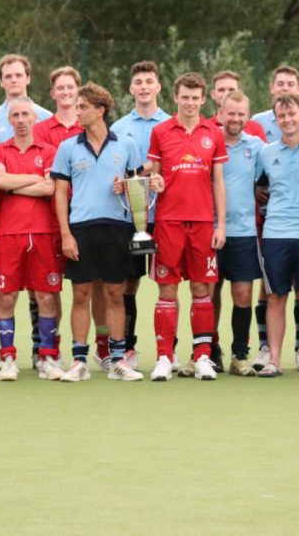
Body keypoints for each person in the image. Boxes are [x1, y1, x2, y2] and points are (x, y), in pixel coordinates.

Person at [51, 83, 146, 382]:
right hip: (81, 229)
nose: (76, 112)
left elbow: (138, 189)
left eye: (82, 107)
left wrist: (125, 187)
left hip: (117, 228)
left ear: (100, 110)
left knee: (115, 293)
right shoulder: (68, 147)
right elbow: (60, 193)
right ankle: (79, 361)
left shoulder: (126, 145)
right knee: (81, 294)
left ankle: (117, 360)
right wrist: (66, 234)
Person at [146, 72, 227, 382]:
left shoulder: (214, 132)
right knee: (167, 289)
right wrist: (155, 182)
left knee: (201, 289)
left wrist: (221, 224)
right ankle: (165, 357)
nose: (190, 103)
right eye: (185, 97)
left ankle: (202, 357)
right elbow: (154, 175)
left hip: (203, 222)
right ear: (175, 98)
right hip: (168, 222)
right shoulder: (160, 131)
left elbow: (218, 181)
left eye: (195, 98)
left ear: (203, 99)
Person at [250, 65, 299, 372]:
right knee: (276, 297)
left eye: (292, 114)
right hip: (276, 234)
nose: (287, 119)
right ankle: (275, 361)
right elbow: (257, 186)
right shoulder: (267, 153)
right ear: (276, 119)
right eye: (282, 116)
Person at [0, 97, 62, 381]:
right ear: (9, 120)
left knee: (46, 295)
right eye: (16, 115)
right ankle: (7, 357)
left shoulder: (49, 150)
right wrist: (33, 179)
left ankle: (47, 357)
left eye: (25, 115)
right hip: (9, 233)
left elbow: (50, 188)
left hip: (42, 233)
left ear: (34, 118)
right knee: (7, 296)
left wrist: (14, 183)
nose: (21, 120)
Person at [110, 60, 170, 369]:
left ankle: (168, 351)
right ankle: (128, 348)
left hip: (165, 217)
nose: (144, 87)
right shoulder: (119, 128)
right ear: (131, 88)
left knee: (168, 284)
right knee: (128, 283)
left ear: (158, 86)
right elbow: (115, 170)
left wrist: (151, 171)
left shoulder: (172, 124)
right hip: (130, 219)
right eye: (139, 82)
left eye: (149, 81)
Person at [31, 66, 83, 370]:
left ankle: (99, 350)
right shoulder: (40, 130)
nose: (65, 92)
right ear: (52, 94)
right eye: (60, 88)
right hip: (49, 220)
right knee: (49, 288)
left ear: (78, 91)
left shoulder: (89, 124)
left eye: (70, 87)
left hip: (85, 218)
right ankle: (51, 349)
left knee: (88, 287)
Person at [213, 91, 264, 376]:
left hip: (243, 231)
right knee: (208, 293)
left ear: (248, 115)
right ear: (220, 113)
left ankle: (239, 354)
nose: (235, 119)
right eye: (230, 113)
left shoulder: (256, 146)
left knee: (243, 294)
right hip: (209, 230)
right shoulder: (209, 141)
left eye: (240, 114)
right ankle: (208, 351)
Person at [209, 71, 266, 140]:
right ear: (213, 94)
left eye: (231, 90)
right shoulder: (206, 129)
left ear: (239, 92)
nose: (226, 94)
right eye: (221, 90)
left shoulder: (255, 129)